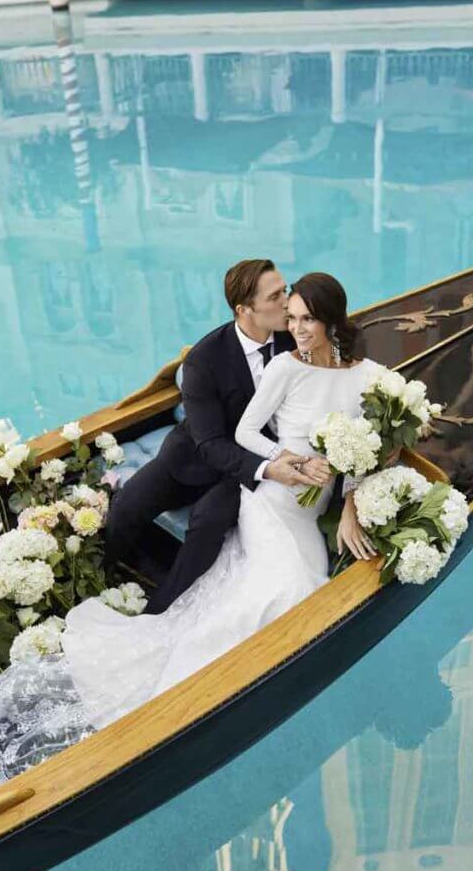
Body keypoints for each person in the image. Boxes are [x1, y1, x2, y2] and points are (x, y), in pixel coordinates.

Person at [0, 273, 381, 777]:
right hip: (211, 462)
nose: (290, 317)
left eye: (298, 310)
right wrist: (278, 464)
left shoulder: (305, 347)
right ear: (244, 310)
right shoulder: (212, 359)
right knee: (130, 513)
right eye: (279, 303)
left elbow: (373, 435)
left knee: (225, 533)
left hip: (280, 489)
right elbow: (226, 438)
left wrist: (349, 498)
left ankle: (175, 617)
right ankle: (142, 607)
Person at [105, 258, 327, 614]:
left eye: (285, 289)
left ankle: (157, 612)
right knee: (126, 507)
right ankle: (104, 577)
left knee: (207, 522)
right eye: (275, 296)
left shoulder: (296, 337)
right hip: (193, 456)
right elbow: (209, 443)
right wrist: (271, 468)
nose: (287, 301)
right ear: (245, 310)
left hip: (248, 471)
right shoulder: (203, 360)